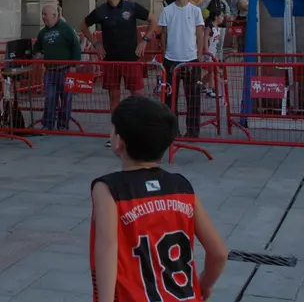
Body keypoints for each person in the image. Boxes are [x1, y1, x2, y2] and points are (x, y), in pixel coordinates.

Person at [90, 96, 228, 301]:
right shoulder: (182, 187)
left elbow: (107, 248)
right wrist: (205, 285)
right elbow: (219, 253)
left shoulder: (108, 189)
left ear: (118, 142)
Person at [81, 0, 156, 146]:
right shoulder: (100, 11)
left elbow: (153, 20)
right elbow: (83, 25)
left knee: (136, 97)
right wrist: (95, 44)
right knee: (114, 100)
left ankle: (138, 133)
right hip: (111, 61)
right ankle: (115, 135)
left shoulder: (132, 7)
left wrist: (145, 40)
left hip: (131, 60)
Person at [158, 0, 206, 139]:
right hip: (171, 60)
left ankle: (192, 131)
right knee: (170, 98)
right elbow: (163, 34)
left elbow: (199, 34)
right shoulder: (167, 10)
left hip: (191, 59)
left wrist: (199, 54)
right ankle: (172, 130)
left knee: (193, 96)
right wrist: (164, 54)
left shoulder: (195, 11)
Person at [33, 3, 83, 131]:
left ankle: (63, 125)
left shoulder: (65, 28)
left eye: (45, 14)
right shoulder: (42, 33)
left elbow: (75, 45)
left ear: (54, 15)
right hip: (50, 71)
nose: (43, 17)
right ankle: (48, 125)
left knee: (66, 99)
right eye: (42, 14)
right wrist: (37, 54)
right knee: (50, 98)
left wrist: (73, 65)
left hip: (66, 69)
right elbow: (37, 48)